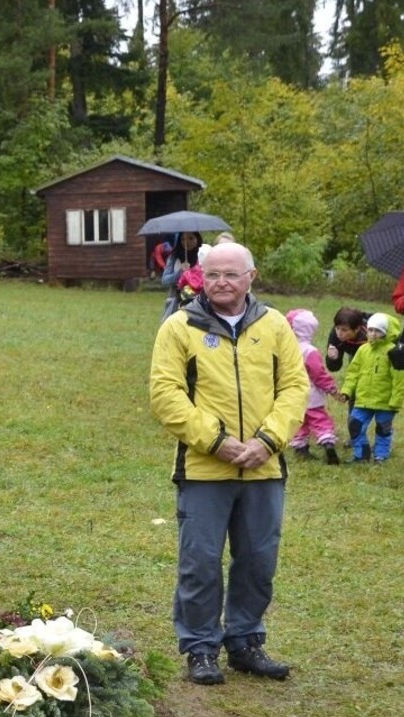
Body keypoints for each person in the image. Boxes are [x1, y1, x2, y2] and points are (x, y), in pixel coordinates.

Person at [149, 242, 307, 686]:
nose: (221, 282)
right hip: (204, 470)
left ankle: (245, 642)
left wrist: (269, 441)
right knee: (199, 562)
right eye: (213, 274)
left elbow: (295, 387)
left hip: (264, 468)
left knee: (258, 560)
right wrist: (216, 442)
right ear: (201, 277)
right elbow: (165, 395)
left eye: (231, 274)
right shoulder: (179, 327)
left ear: (250, 277)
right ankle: (200, 647)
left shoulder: (275, 326)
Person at [339, 312, 404, 463]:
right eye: (370, 330)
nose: (373, 334)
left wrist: (396, 400)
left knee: (383, 429)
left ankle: (381, 455)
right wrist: (347, 391)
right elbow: (353, 373)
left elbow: (399, 379)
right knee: (355, 425)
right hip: (363, 399)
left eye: (378, 331)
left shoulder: (394, 352)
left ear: (386, 332)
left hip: (385, 401)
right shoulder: (363, 350)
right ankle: (361, 454)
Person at [284, 309, 342, 464]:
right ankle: (328, 444)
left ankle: (301, 448)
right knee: (320, 420)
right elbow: (319, 374)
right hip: (312, 394)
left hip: (292, 393)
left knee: (298, 421)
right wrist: (331, 388)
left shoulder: (286, 348)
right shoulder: (310, 351)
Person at [160, 232, 203, 320]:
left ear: (197, 239)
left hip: (200, 301)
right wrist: (180, 272)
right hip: (177, 301)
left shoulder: (203, 256)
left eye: (190, 238)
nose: (186, 242)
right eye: (183, 239)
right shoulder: (174, 257)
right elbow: (165, 281)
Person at [325, 307, 369, 373]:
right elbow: (334, 368)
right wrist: (333, 358)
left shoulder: (371, 334)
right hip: (354, 349)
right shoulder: (335, 333)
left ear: (357, 329)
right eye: (337, 328)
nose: (339, 333)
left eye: (344, 330)